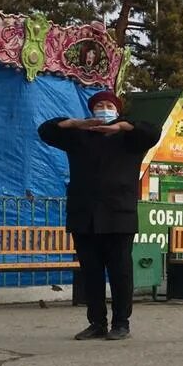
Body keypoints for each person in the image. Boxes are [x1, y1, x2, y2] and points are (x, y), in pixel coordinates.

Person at [38, 91, 159, 341]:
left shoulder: (131, 139)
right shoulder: (80, 137)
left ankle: (121, 322)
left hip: (118, 215)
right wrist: (75, 123)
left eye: (109, 106)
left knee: (120, 272)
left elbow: (152, 131)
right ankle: (97, 322)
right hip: (85, 215)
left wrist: (123, 126)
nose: (104, 109)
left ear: (117, 111)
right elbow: (46, 131)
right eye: (99, 106)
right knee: (91, 273)